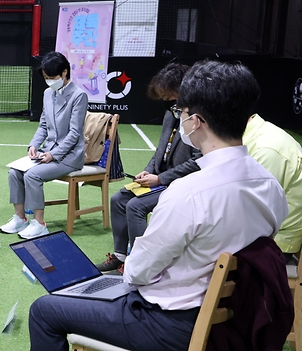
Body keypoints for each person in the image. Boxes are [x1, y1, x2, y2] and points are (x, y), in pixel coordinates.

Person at [27, 60, 288, 351]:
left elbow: (137, 271)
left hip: (167, 323)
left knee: (43, 310)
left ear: (196, 122)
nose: (179, 117)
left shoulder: (189, 194)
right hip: (233, 320)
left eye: (181, 112)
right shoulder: (270, 186)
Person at [95, 63, 201, 273]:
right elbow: (161, 149)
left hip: (182, 185)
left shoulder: (197, 119)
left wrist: (161, 179)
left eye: (169, 96)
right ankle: (119, 256)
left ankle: (139, 263)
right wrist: (148, 170)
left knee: (135, 206)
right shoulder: (171, 113)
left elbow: (198, 162)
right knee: (118, 200)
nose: (165, 101)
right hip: (160, 179)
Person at [0, 51, 87, 239]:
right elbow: (44, 125)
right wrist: (33, 145)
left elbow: (74, 134)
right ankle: (20, 218)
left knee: (32, 176)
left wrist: (53, 155)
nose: (49, 81)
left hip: (70, 157)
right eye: (46, 78)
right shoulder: (48, 93)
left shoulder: (79, 96)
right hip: (47, 152)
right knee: (14, 172)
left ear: (64, 72)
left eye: (52, 77)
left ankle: (39, 224)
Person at [243, 113, 302, 262]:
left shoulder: (267, 149)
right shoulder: (251, 137)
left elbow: (256, 217)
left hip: (275, 241)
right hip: (257, 234)